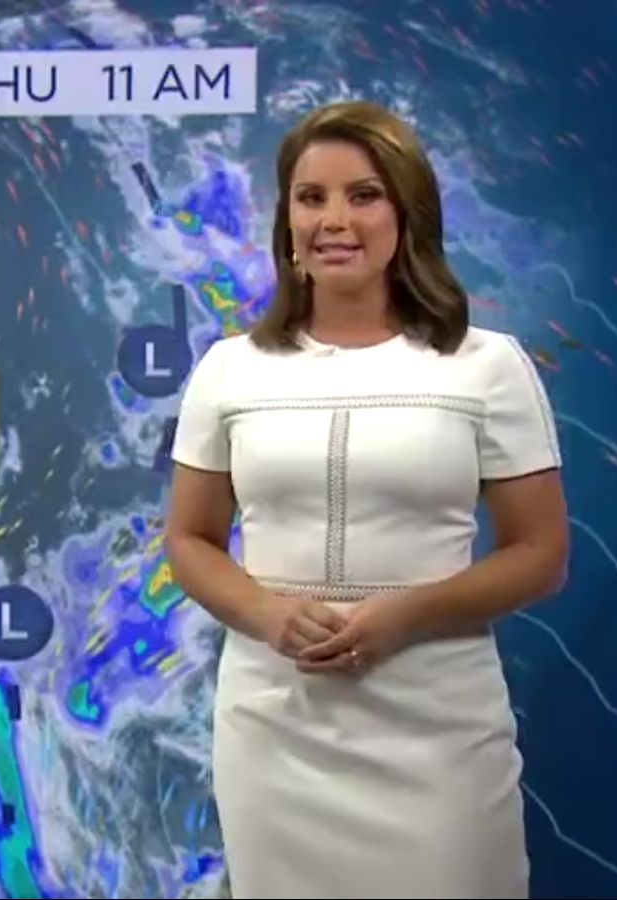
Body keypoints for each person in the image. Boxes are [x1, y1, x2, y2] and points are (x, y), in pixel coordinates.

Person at [164, 100, 570, 899]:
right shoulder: (227, 370)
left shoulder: (487, 365)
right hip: (276, 729)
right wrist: (267, 613)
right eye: (311, 198)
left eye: (363, 195)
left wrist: (405, 615)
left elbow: (541, 554)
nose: (334, 221)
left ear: (406, 212)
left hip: (438, 726)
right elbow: (189, 539)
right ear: (286, 219)